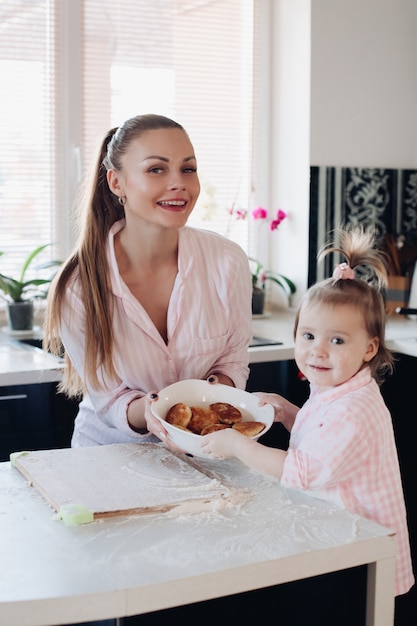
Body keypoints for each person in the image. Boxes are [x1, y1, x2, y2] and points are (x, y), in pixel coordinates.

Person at [201, 226, 414, 599]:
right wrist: (287, 413)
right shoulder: (337, 389)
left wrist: (238, 445)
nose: (317, 351)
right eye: (308, 336)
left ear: (369, 348)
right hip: (342, 537)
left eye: (337, 340)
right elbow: (323, 441)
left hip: (363, 551)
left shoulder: (355, 408)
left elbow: (303, 471)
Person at [44, 113, 252, 448]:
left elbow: (232, 358)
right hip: (108, 460)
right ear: (116, 183)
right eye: (157, 169)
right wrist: (156, 412)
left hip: (205, 453)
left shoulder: (227, 261)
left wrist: (210, 397)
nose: (179, 182)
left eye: (188, 168)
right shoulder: (79, 286)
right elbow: (109, 400)